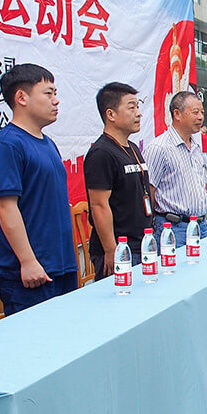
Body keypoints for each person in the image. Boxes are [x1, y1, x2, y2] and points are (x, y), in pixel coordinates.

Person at [0, 63, 77, 315]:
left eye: (55, 93)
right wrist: (27, 261)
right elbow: (6, 207)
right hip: (31, 273)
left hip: (60, 265)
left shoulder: (47, 143)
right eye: (48, 93)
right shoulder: (8, 144)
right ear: (21, 97)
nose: (56, 101)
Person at [84, 83, 151, 280]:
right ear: (111, 114)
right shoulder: (101, 153)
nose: (138, 113)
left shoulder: (131, 147)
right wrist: (112, 250)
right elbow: (98, 205)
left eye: (138, 107)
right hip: (121, 250)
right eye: (131, 107)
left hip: (142, 244)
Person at [145, 91, 207, 247]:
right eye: (195, 112)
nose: (201, 117)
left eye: (202, 112)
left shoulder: (195, 145)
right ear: (177, 114)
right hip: (174, 229)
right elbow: (150, 191)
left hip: (201, 225)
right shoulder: (159, 148)